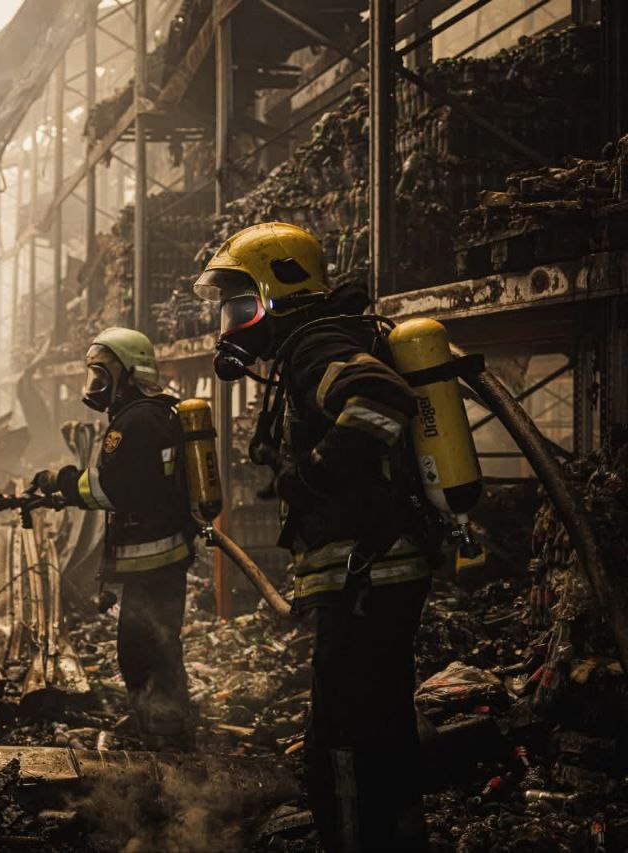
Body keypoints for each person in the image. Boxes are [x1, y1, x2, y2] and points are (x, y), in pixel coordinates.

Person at [196, 222, 433, 851]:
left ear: (276, 291)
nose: (230, 318)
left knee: (342, 738)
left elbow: (380, 399)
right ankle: (400, 834)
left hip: (366, 572)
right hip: (381, 568)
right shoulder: (321, 342)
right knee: (385, 717)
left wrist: (313, 474)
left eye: (238, 301)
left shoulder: (312, 345)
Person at [30, 327, 196, 750]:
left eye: (103, 375)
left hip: (152, 564)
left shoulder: (135, 420)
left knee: (146, 653)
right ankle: (161, 730)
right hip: (159, 562)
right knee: (153, 648)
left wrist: (64, 483)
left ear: (129, 373)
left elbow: (113, 488)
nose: (96, 386)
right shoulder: (153, 413)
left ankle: (168, 745)